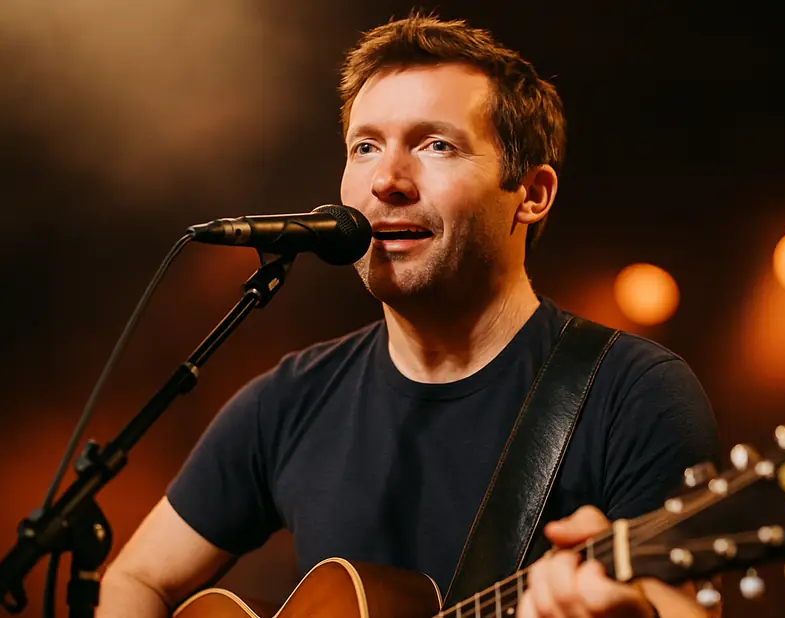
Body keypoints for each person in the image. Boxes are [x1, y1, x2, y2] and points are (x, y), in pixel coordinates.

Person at [99, 11, 722, 618]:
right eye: (365, 146)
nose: (387, 180)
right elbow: (135, 578)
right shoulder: (289, 402)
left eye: (436, 145)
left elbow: (684, 606)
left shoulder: (634, 394)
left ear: (531, 194)